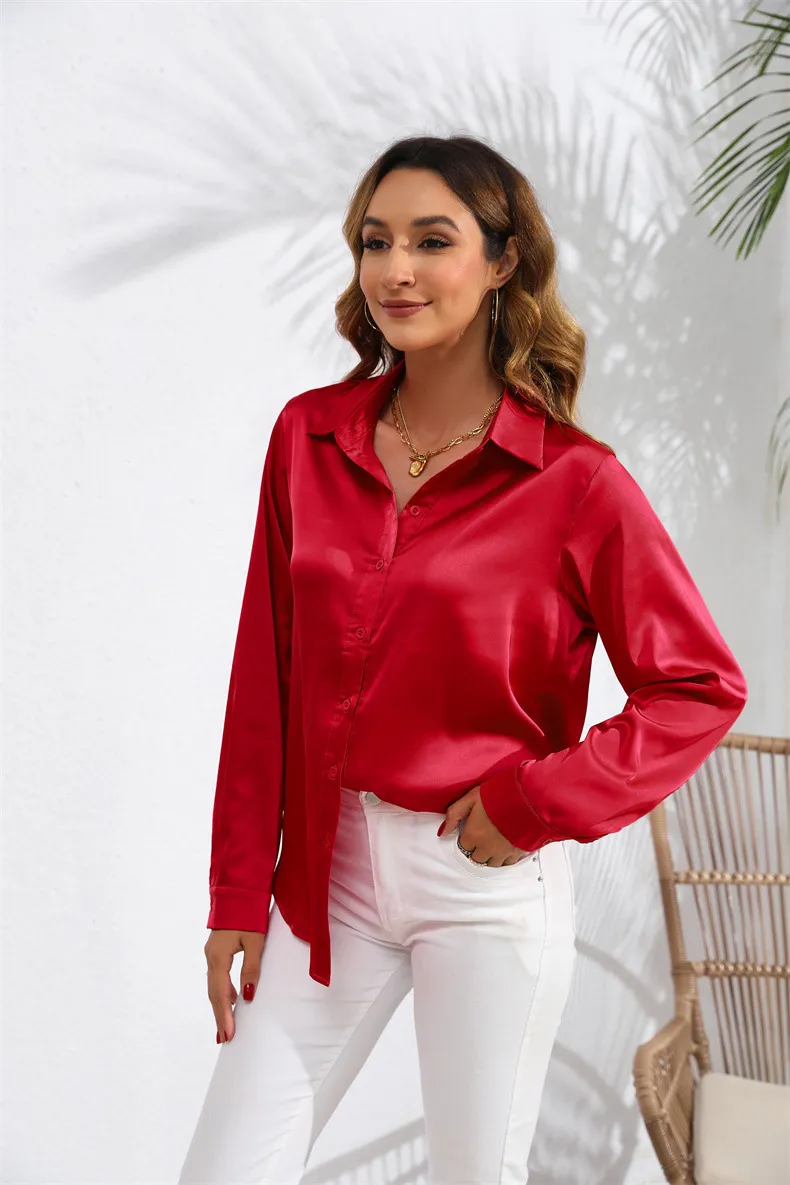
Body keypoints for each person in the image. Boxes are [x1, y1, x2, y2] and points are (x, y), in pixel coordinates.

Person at [178, 135, 748, 1184]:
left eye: (431, 242)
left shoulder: (575, 482)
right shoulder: (308, 439)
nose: (395, 270)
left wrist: (535, 800)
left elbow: (698, 687)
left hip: (485, 884)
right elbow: (264, 674)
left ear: (501, 260)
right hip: (328, 877)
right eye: (375, 241)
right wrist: (235, 894)